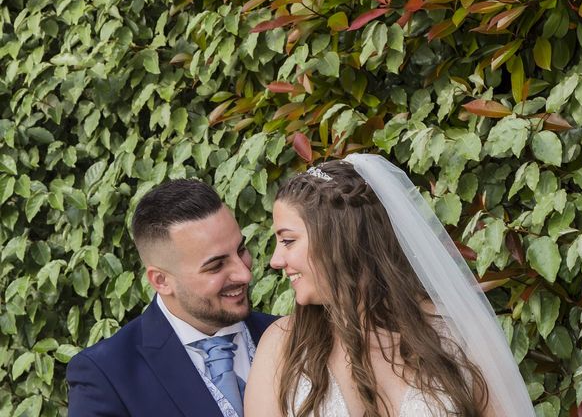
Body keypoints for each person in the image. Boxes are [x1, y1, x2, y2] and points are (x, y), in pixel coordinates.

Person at [245, 154, 535, 416]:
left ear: (341, 241)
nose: (275, 260)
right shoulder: (282, 347)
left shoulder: (460, 335)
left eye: (288, 241)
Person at [67, 179, 277, 417]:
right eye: (216, 266)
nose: (245, 273)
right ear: (161, 281)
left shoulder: (293, 335)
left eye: (241, 250)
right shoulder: (106, 375)